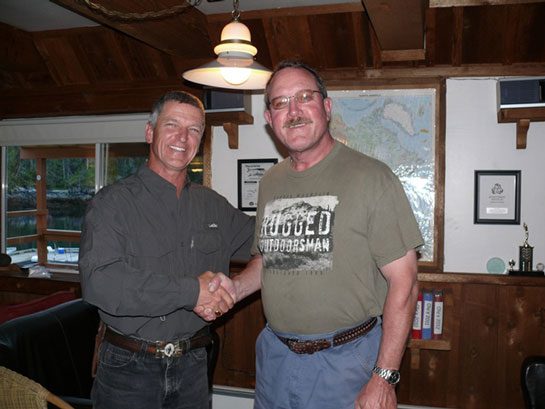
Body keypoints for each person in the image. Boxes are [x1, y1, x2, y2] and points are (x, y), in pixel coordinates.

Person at [222, 60, 424, 409]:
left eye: (305, 97)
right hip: (275, 358)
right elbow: (270, 259)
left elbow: (404, 283)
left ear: (326, 107)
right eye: (281, 103)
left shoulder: (372, 178)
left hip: (347, 362)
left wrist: (384, 377)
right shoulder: (270, 182)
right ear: (270, 119)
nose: (294, 111)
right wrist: (234, 288)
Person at [78, 90, 255, 409]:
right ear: (150, 132)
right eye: (172, 125)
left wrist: (237, 287)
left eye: (194, 129)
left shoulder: (213, 205)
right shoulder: (111, 204)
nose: (182, 137)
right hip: (128, 369)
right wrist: (192, 292)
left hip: (193, 365)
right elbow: (100, 283)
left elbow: (272, 243)